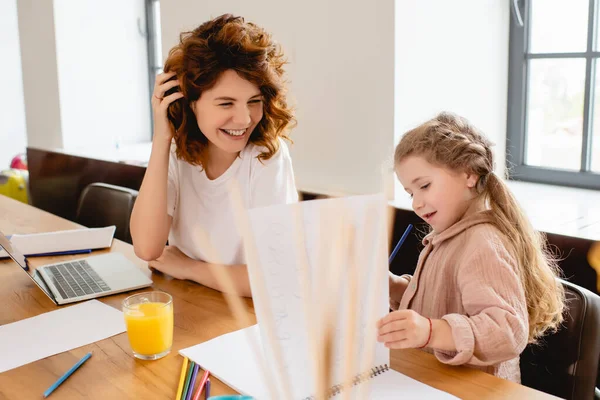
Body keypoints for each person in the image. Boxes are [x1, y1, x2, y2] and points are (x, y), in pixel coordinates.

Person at [377, 112, 565, 382]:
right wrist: (395, 287)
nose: (416, 203)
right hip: (440, 381)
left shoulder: (482, 243)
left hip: (478, 388)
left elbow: (507, 330)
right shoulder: (449, 236)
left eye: (425, 186)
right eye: (410, 193)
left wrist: (430, 331)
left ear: (469, 174)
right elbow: (444, 300)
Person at [130, 14, 298, 297]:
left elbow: (273, 279)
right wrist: (161, 138)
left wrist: (189, 268)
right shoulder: (175, 150)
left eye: (254, 102)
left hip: (243, 315)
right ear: (190, 102)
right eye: (226, 103)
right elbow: (147, 248)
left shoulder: (267, 156)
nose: (244, 119)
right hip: (188, 301)